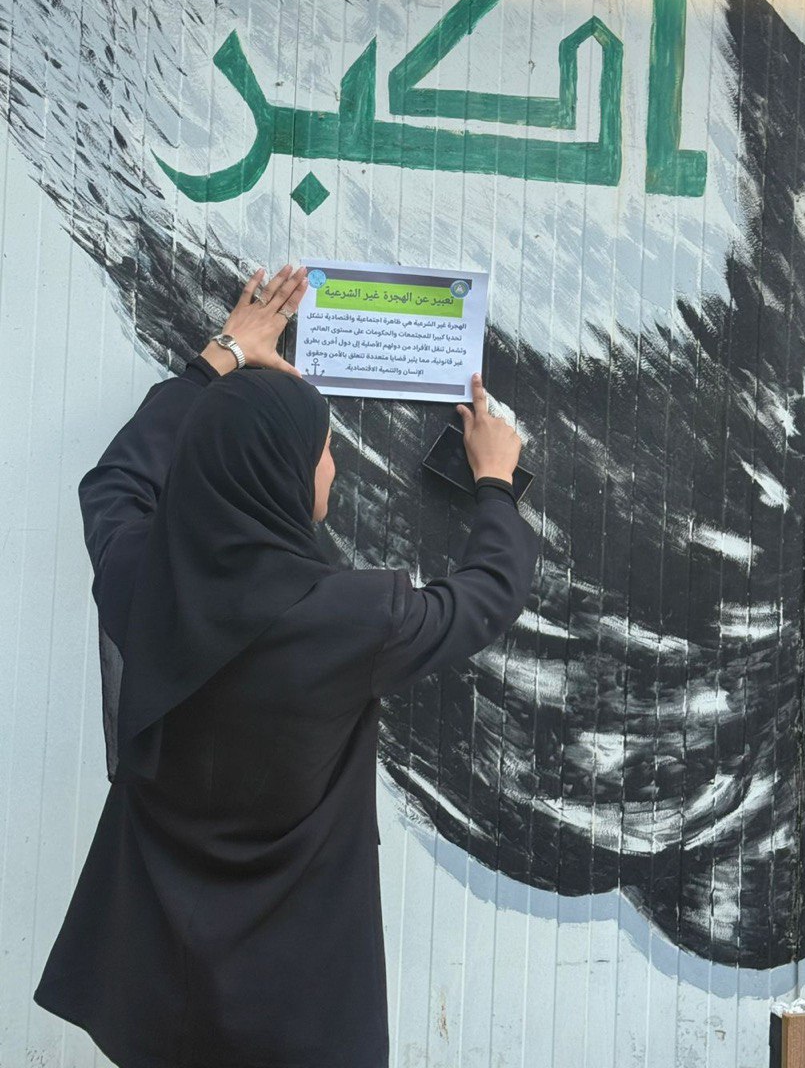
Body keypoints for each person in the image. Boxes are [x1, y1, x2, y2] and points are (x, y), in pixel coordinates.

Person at [33, 263, 540, 1068]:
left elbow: (117, 484)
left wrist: (219, 357)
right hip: (298, 1005)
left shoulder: (140, 579)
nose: (333, 466)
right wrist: (495, 483)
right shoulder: (354, 620)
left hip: (156, 990)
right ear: (283, 473)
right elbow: (484, 596)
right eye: (322, 450)